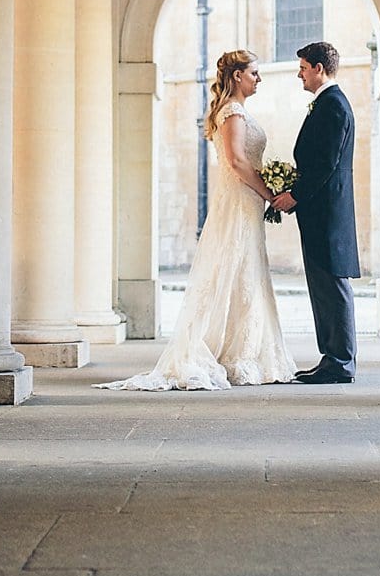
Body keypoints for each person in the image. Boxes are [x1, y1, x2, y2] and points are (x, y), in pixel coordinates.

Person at [96, 50, 297, 391]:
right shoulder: (232, 112)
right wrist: (269, 192)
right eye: (254, 73)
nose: (259, 78)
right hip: (239, 199)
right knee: (233, 266)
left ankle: (242, 350)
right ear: (237, 76)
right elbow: (235, 161)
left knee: (243, 270)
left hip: (243, 200)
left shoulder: (236, 110)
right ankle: (230, 353)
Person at [270, 41, 359, 384]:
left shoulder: (333, 105)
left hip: (327, 211)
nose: (300, 74)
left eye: (304, 68)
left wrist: (293, 194)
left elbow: (325, 163)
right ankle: (332, 357)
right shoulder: (327, 103)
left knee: (332, 285)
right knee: (323, 285)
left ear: (319, 69)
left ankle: (340, 362)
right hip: (321, 210)